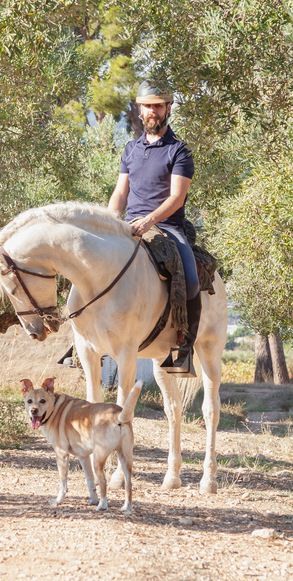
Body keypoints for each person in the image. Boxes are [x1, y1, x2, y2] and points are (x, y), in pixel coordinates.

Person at [108, 79, 201, 375]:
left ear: (169, 108)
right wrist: (109, 222)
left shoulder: (179, 151)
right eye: (147, 105)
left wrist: (149, 219)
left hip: (167, 227)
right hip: (127, 226)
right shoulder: (130, 149)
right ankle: (82, 339)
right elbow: (121, 193)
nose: (153, 111)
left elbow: (176, 198)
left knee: (190, 279)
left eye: (158, 106)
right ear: (139, 108)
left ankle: (183, 346)